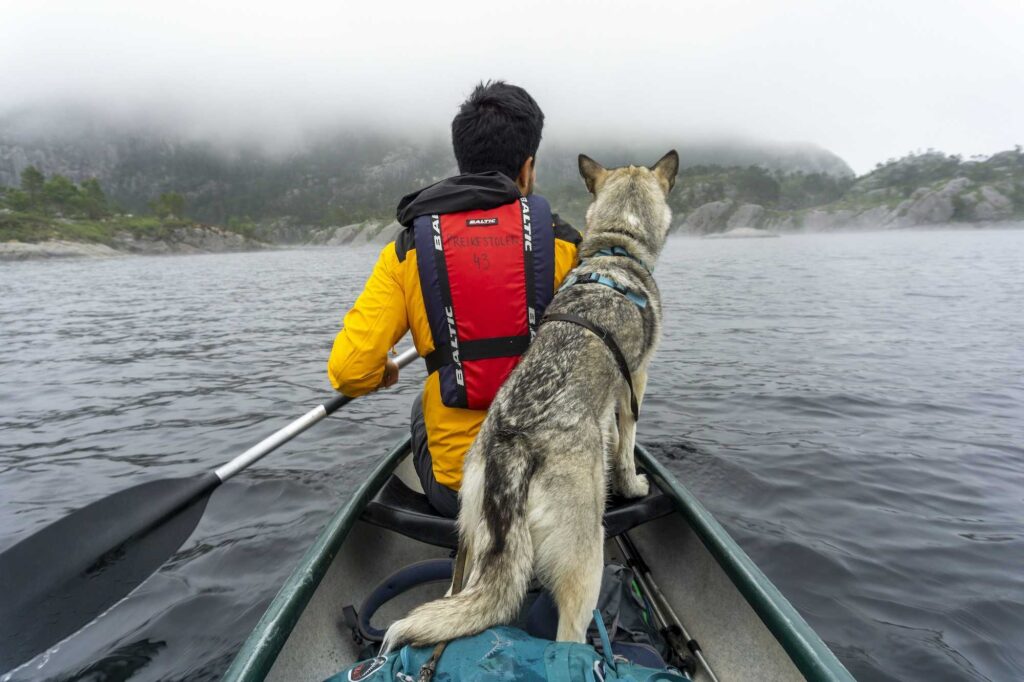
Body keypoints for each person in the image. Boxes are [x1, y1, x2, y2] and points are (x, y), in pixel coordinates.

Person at [328, 81, 580, 517]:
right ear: (527, 168)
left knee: (425, 400)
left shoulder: (408, 250)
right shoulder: (566, 245)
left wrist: (383, 371)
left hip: (464, 492)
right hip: (558, 483)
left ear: (463, 162)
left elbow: (350, 372)